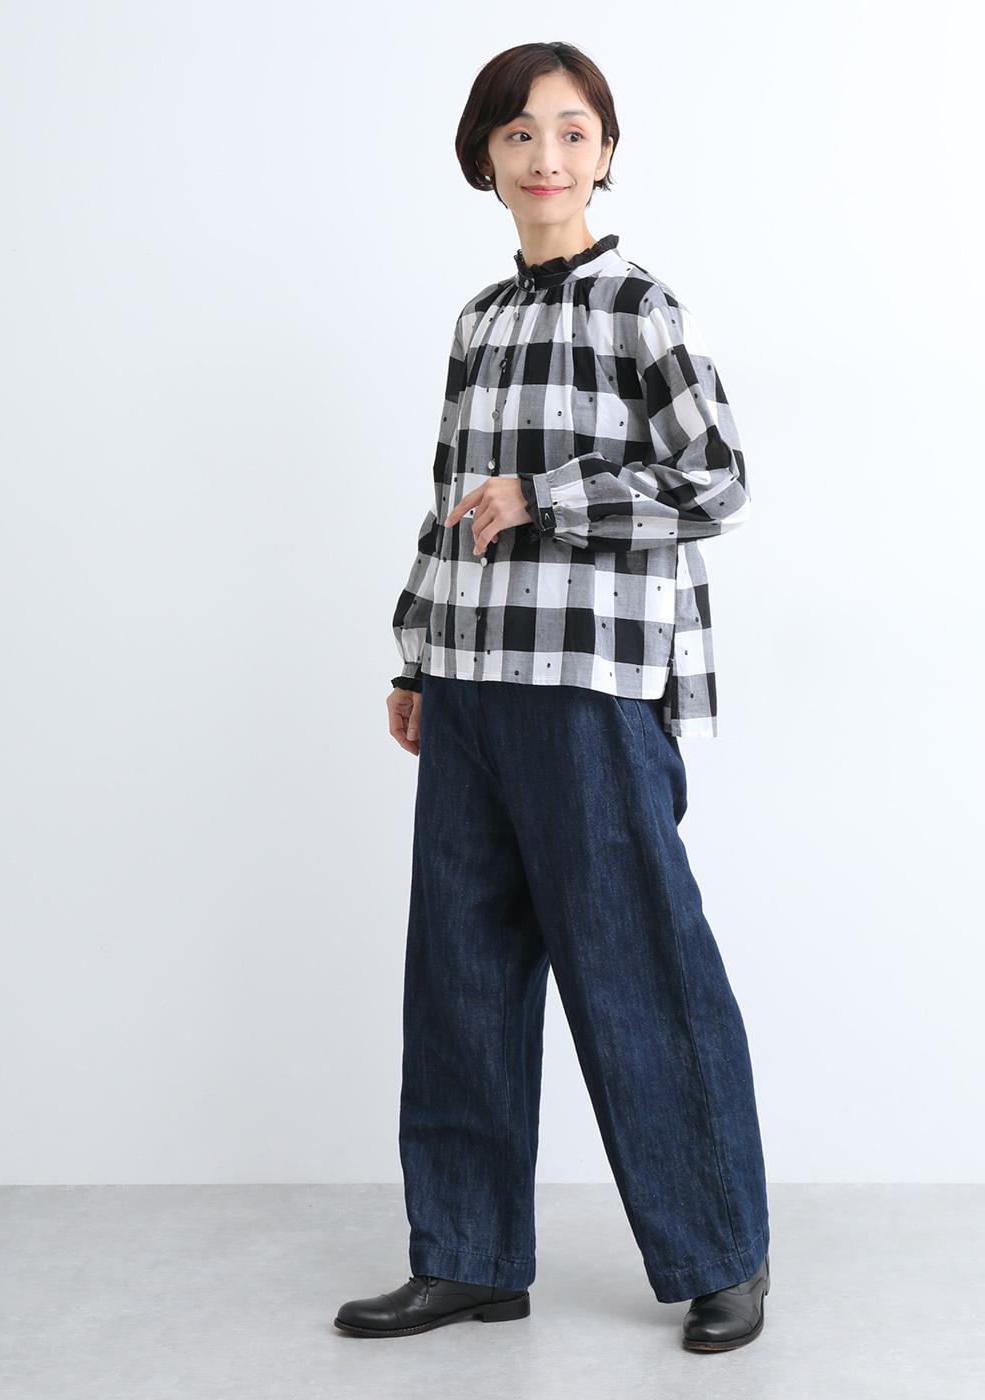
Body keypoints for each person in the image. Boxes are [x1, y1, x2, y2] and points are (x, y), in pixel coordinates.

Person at [334, 41, 770, 1354]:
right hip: (471, 683)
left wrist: (546, 496)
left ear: (607, 152)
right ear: (486, 156)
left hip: (589, 685)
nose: (548, 157)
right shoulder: (478, 320)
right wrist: (416, 651)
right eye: (521, 134)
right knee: (459, 976)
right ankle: (467, 1258)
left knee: (638, 968)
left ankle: (721, 1258)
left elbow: (718, 481)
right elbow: (448, 499)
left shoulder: (640, 305)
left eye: (574, 132)